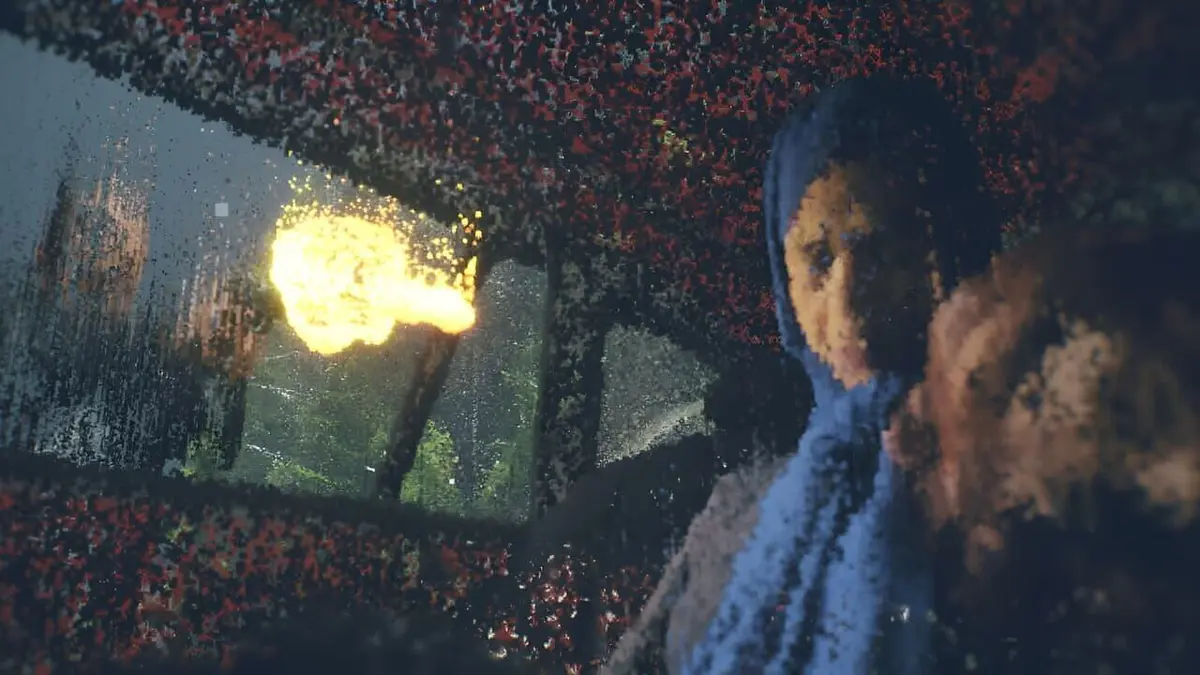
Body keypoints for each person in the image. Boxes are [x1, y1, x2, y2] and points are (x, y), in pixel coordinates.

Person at [603, 75, 999, 675]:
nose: (849, 306)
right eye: (817, 260)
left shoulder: (1025, 502)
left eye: (886, 250)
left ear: (955, 250)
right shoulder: (737, 510)